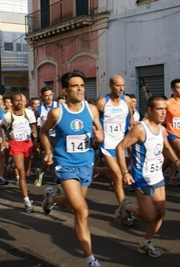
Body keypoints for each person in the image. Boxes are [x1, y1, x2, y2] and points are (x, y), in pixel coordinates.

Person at [40, 70, 104, 267]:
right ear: (65, 90)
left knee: (74, 208)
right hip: (65, 164)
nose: (80, 89)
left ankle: (52, 198)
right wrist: (48, 150)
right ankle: (90, 259)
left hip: (86, 163)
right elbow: (43, 131)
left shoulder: (91, 109)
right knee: (82, 210)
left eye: (82, 85)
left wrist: (99, 135)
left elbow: (99, 129)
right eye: (75, 86)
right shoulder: (57, 112)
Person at [115, 95, 180, 257]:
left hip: (157, 177)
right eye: (159, 109)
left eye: (165, 109)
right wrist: (125, 172)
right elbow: (120, 148)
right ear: (150, 110)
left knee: (160, 213)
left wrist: (177, 162)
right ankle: (126, 207)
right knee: (149, 216)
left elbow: (167, 147)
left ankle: (145, 242)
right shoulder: (140, 129)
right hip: (142, 178)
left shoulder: (162, 129)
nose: (164, 113)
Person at [94, 75, 137, 225]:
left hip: (122, 145)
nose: (121, 88)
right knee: (119, 176)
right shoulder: (101, 103)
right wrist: (97, 132)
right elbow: (92, 119)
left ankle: (95, 170)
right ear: (110, 86)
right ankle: (124, 211)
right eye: (118, 85)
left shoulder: (128, 101)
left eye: (123, 85)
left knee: (117, 176)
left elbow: (131, 119)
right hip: (107, 145)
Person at [0, 94, 37, 212]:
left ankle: (12, 163)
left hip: (27, 143)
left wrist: (35, 133)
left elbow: (33, 125)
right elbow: (2, 127)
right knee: (21, 173)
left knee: (26, 174)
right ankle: (27, 201)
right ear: (12, 102)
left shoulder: (29, 113)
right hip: (16, 143)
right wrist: (5, 141)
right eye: (16, 101)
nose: (19, 103)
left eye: (21, 100)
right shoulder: (7, 116)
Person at [34, 86, 59, 191]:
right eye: (46, 96)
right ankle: (57, 184)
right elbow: (35, 124)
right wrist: (36, 138)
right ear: (42, 97)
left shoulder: (59, 106)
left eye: (50, 95)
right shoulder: (39, 109)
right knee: (51, 159)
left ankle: (41, 173)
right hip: (46, 136)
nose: (48, 97)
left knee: (52, 160)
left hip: (58, 136)